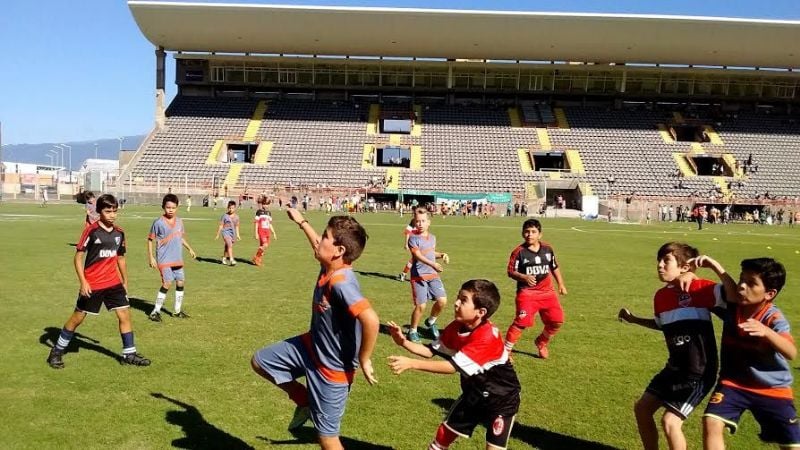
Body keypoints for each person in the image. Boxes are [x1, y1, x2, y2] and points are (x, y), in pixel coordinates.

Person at [251, 209, 378, 449]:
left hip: (332, 370)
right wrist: (301, 222)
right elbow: (317, 245)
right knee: (261, 361)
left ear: (339, 251)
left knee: (327, 439)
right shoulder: (329, 266)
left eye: (325, 236)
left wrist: (365, 358)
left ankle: (312, 405)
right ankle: (304, 400)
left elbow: (370, 319)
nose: (319, 240)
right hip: (310, 347)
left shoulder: (341, 282)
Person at [387, 279, 521, 450]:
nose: (456, 303)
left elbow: (452, 367)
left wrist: (412, 363)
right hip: (474, 394)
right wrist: (403, 342)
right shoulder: (456, 327)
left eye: (463, 300)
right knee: (444, 434)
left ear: (481, 312)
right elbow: (430, 351)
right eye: (458, 297)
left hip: (502, 399)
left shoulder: (487, 336)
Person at [617, 242, 722, 450]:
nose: (659, 265)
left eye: (666, 261)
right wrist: (634, 319)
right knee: (642, 409)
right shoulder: (661, 296)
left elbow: (737, 296)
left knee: (670, 422)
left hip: (697, 372)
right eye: (659, 260)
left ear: (685, 267)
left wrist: (706, 271)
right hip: (674, 369)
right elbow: (662, 325)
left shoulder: (699, 288)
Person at [692, 256, 800, 450]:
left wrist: (767, 332)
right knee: (711, 421)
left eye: (751, 283)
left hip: (773, 389)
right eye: (741, 279)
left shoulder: (773, 317)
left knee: (792, 446)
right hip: (733, 384)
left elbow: (791, 352)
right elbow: (732, 289)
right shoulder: (733, 308)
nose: (742, 286)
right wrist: (715, 266)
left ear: (769, 293)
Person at [47, 194, 150, 368]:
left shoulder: (119, 233)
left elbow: (121, 259)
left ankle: (129, 354)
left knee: (124, 314)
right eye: (108, 211)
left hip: (113, 282)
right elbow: (78, 258)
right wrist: (83, 282)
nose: (112, 215)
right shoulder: (91, 231)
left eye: (115, 211)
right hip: (93, 283)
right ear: (100, 211)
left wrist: (125, 281)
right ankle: (56, 351)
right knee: (78, 318)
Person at [503, 218, 567, 359]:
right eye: (526, 232)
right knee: (522, 322)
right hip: (527, 293)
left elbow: (554, 267)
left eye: (533, 232)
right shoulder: (518, 252)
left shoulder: (547, 249)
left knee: (557, 321)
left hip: (547, 292)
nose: (530, 235)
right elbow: (511, 271)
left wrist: (561, 284)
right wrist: (524, 277)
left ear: (540, 234)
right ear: (522, 234)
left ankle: (541, 342)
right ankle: (506, 351)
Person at [147, 194, 197, 322]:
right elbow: (150, 239)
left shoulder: (180, 222)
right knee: (167, 283)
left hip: (177, 257)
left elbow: (180, 237)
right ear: (163, 207)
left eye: (173, 208)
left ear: (177, 207)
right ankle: (155, 311)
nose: (170, 210)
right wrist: (151, 257)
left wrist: (190, 248)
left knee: (180, 282)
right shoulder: (158, 223)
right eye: (168, 207)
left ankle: (177, 311)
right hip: (164, 259)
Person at [407, 209, 450, 343]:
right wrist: (433, 264)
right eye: (417, 221)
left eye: (423, 221)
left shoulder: (432, 238)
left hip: (432, 274)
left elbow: (430, 252)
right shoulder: (413, 239)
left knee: (442, 300)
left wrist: (442, 255)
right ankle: (412, 330)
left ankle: (431, 321)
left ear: (428, 223)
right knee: (421, 306)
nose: (420, 224)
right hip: (418, 276)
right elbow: (418, 256)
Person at [252, 199, 277, 267]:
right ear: (262, 204)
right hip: (261, 231)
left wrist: (273, 232)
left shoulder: (269, 213)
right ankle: (256, 258)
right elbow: (256, 223)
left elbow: (270, 224)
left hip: (267, 232)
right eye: (264, 204)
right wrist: (256, 233)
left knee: (263, 246)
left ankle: (258, 260)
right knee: (265, 245)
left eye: (267, 204)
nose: (266, 205)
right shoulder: (259, 212)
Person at [215, 200, 241, 265]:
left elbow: (237, 226)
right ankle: (231, 259)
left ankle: (224, 258)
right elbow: (221, 225)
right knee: (229, 244)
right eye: (229, 208)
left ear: (235, 208)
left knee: (227, 246)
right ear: (227, 208)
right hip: (225, 232)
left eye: (232, 208)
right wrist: (218, 234)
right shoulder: (224, 216)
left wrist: (238, 235)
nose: (231, 209)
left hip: (232, 233)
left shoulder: (237, 217)